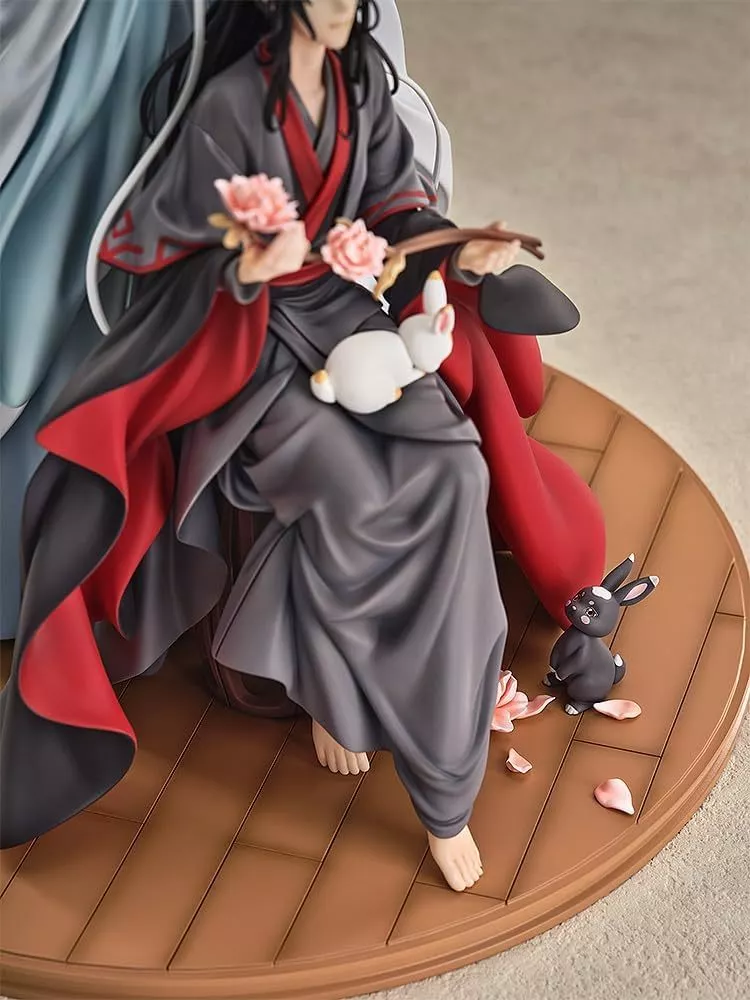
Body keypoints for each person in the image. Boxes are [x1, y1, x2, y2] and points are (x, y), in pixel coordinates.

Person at [0, 0, 606, 893]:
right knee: (349, 492)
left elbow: (397, 210)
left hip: (351, 322)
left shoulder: (359, 91)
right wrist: (245, 262)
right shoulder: (230, 104)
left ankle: (435, 731)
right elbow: (154, 236)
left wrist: (458, 250)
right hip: (251, 348)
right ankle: (367, 720)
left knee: (450, 469)